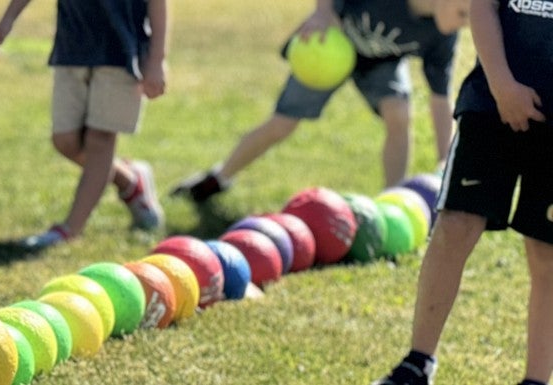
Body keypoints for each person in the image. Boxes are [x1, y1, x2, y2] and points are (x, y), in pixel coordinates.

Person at [373, 0, 553, 383]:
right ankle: (417, 364)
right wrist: (502, 85)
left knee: (547, 251)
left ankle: (535, 379)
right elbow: (483, 7)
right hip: (491, 102)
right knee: (455, 223)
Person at [172, 0, 470, 204]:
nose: (466, 25)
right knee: (282, 124)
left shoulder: (443, 36)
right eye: (464, 14)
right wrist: (323, 12)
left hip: (380, 63)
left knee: (399, 115)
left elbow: (440, 99)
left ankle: (390, 204)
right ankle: (219, 177)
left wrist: (445, 162)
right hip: (330, 42)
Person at [0, 0, 170, 248]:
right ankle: (130, 181)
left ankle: (70, 228)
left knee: (100, 141)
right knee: (65, 141)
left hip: (122, 53)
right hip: (71, 49)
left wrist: (156, 59)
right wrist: (7, 20)